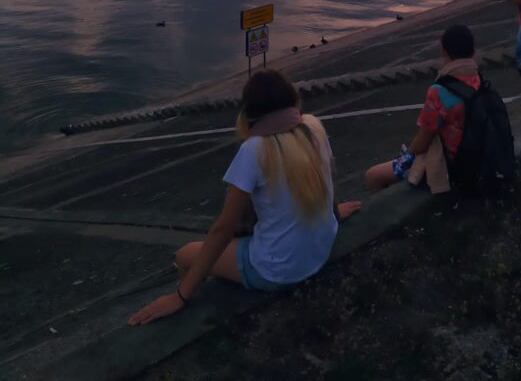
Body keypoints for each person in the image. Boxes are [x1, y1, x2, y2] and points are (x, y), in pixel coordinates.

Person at [129, 70, 360, 325]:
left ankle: (190, 300)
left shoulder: (254, 150)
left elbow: (223, 228)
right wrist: (334, 213)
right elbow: (322, 177)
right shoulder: (312, 127)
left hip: (277, 271)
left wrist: (179, 297)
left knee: (185, 255)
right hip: (320, 250)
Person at [365, 24, 481, 193]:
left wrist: (409, 153)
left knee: (373, 175)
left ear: (444, 52)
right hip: (476, 152)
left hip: (450, 162)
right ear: (472, 52)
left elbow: (422, 141)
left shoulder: (440, 91)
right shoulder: (477, 79)